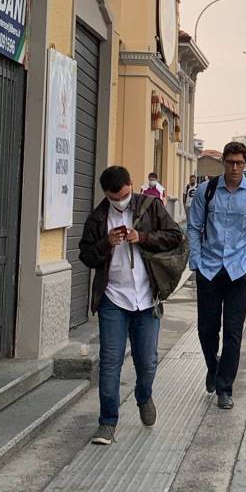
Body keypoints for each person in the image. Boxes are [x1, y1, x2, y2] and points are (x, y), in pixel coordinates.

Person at [78, 165, 184, 445]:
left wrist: (144, 237)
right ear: (106, 195)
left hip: (146, 298)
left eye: (124, 195)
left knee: (147, 361)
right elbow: (86, 255)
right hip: (113, 298)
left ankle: (143, 395)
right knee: (110, 362)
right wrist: (106, 243)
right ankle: (107, 422)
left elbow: (175, 236)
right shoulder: (98, 217)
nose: (120, 201)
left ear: (131, 186)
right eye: (115, 198)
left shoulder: (151, 207)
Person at [187, 142, 246, 410]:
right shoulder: (206, 191)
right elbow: (194, 227)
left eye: (240, 163)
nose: (235, 167)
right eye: (230, 162)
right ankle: (213, 366)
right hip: (209, 269)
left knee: (233, 332)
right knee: (206, 329)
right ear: (223, 162)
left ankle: (225, 387)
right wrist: (196, 262)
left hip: (238, 271)